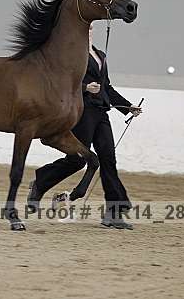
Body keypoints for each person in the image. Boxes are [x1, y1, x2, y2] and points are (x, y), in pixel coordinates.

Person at [28, 23, 142, 229]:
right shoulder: (72, 55)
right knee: (78, 160)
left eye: (90, 29)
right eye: (85, 28)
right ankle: (40, 182)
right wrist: (85, 87)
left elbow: (107, 87)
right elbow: (62, 82)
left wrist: (127, 107)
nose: (87, 31)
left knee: (108, 160)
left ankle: (114, 213)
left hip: (101, 114)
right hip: (83, 112)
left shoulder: (100, 55)